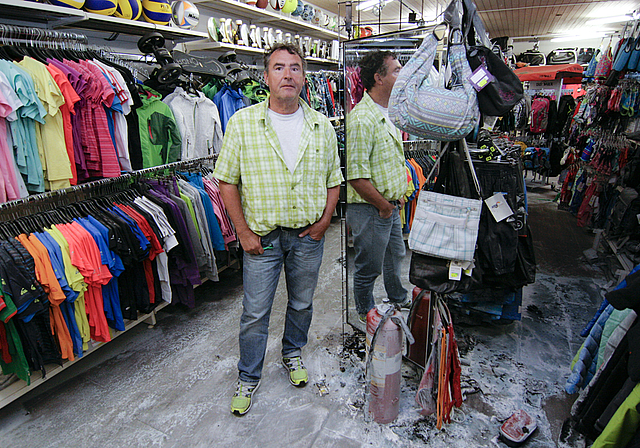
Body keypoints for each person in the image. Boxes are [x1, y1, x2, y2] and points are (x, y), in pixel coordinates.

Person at [214, 43, 343, 416]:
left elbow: (334, 180)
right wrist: (243, 232)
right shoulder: (242, 123)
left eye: (295, 68)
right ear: (266, 76)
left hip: (307, 237)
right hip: (262, 239)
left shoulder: (322, 126)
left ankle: (292, 353)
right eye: (279, 67)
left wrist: (323, 223)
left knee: (301, 303)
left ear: (304, 77)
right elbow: (226, 182)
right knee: (255, 311)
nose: (288, 74)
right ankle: (248, 375)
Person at [346, 50, 410, 322]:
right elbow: (356, 175)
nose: (402, 74)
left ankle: (397, 297)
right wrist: (384, 206)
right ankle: (364, 311)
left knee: (395, 254)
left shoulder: (389, 112)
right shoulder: (362, 119)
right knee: (368, 266)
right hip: (371, 207)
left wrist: (399, 193)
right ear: (378, 78)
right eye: (396, 70)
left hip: (389, 205)